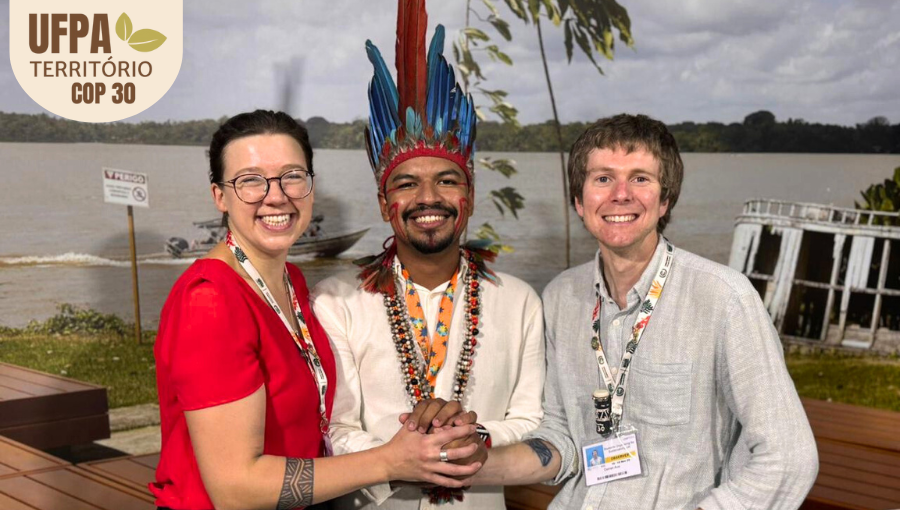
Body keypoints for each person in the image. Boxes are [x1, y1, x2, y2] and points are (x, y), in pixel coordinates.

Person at [461, 114, 819, 509]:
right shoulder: (562, 297)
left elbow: (789, 457)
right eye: (602, 178)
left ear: (665, 200)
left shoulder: (724, 298)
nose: (621, 194)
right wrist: (460, 464)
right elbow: (561, 435)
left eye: (640, 178)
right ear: (580, 202)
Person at [151, 110, 483, 510]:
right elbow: (235, 488)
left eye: (292, 176)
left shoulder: (290, 280)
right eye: (250, 180)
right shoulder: (209, 300)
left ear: (310, 188)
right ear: (219, 195)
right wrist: (391, 460)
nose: (276, 196)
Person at [310, 1, 545, 509]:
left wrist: (476, 439)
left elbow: (531, 416)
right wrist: (401, 455)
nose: (428, 199)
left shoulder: (520, 301)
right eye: (407, 184)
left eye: (447, 180)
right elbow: (336, 425)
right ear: (384, 203)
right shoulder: (336, 301)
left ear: (470, 195)